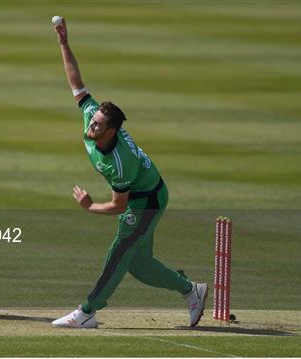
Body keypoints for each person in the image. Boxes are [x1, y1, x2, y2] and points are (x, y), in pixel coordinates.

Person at [51, 18, 207, 328]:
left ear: (111, 131)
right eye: (92, 120)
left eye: (97, 125)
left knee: (120, 250)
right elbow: (76, 84)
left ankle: (86, 311)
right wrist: (64, 43)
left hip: (146, 200)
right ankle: (192, 291)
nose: (90, 126)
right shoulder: (91, 117)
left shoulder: (119, 163)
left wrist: (89, 207)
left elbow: (119, 206)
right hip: (144, 192)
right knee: (139, 264)